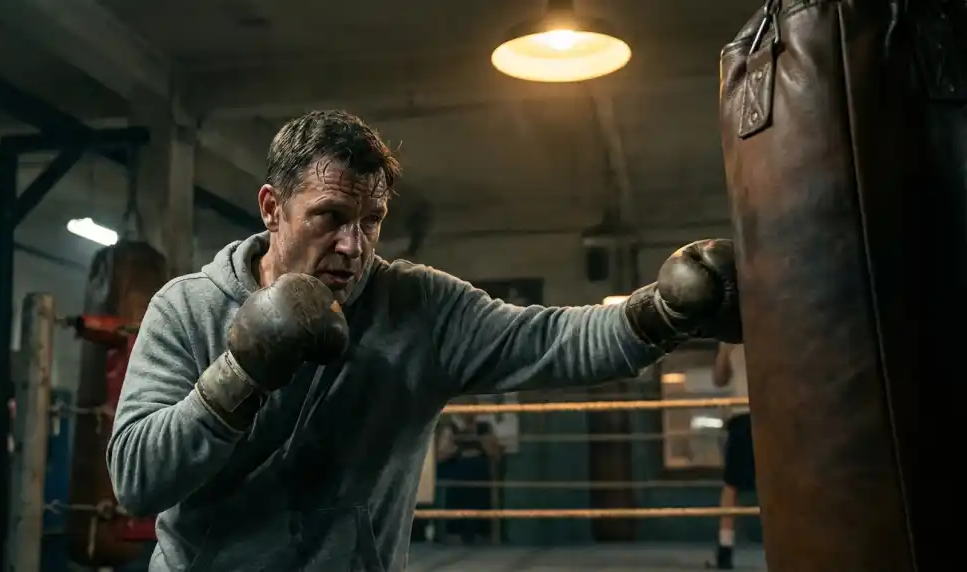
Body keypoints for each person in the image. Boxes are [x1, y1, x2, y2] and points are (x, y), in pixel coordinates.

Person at [106, 109, 743, 571]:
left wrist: (660, 313)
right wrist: (240, 373)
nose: (353, 246)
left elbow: (549, 337)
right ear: (273, 209)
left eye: (371, 222)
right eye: (330, 217)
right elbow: (136, 480)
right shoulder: (186, 307)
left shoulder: (419, 306)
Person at [709, 342, 755, 570]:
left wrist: (724, 350)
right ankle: (725, 550)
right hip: (755, 411)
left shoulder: (731, 336)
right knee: (732, 484)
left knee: (731, 485)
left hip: (747, 412)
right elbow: (719, 378)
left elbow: (719, 379)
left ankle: (725, 549)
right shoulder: (732, 337)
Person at [435, 398, 502, 545]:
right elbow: (440, 456)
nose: (468, 409)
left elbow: (495, 453)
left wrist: (480, 439)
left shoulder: (485, 427)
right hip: (459, 476)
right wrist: (456, 442)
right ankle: (456, 538)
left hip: (480, 477)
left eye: (472, 406)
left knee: (481, 516)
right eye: (465, 405)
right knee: (457, 518)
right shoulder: (451, 428)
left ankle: (482, 539)